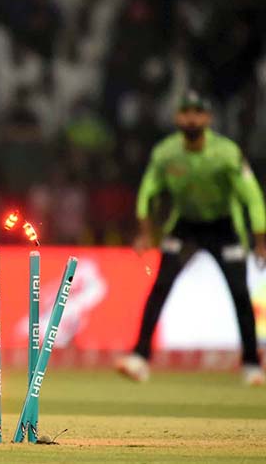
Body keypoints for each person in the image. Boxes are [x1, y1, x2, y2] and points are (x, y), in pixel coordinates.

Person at [116, 90, 266, 386]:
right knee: (161, 286)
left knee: (239, 293)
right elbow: (147, 192)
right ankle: (139, 357)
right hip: (185, 225)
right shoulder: (166, 153)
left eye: (197, 112)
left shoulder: (226, 153)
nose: (191, 118)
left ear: (208, 118)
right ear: (177, 117)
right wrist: (145, 233)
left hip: (224, 226)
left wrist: (260, 240)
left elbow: (252, 197)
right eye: (186, 112)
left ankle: (251, 365)